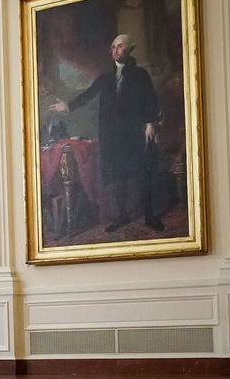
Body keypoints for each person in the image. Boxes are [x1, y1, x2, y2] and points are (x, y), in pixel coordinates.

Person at [49, 33, 163, 232]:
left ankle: (150, 215)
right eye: (113, 47)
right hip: (113, 135)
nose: (116, 50)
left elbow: (150, 100)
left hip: (136, 132)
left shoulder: (140, 75)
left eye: (120, 46)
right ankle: (121, 216)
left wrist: (150, 122)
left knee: (143, 172)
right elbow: (88, 95)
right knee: (117, 175)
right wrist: (67, 106)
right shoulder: (106, 77)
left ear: (129, 49)